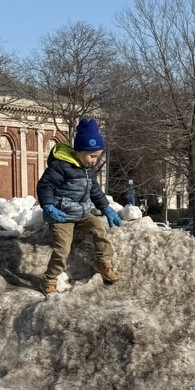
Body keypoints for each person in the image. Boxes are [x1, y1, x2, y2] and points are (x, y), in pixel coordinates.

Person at [37, 118, 123, 294]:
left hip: (82, 213)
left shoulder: (88, 169)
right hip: (61, 215)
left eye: (97, 157)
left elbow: (94, 190)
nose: (94, 161)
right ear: (80, 151)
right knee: (62, 249)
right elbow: (45, 185)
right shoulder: (61, 166)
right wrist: (49, 207)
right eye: (92, 156)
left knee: (99, 228)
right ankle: (49, 279)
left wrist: (106, 208)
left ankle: (103, 262)